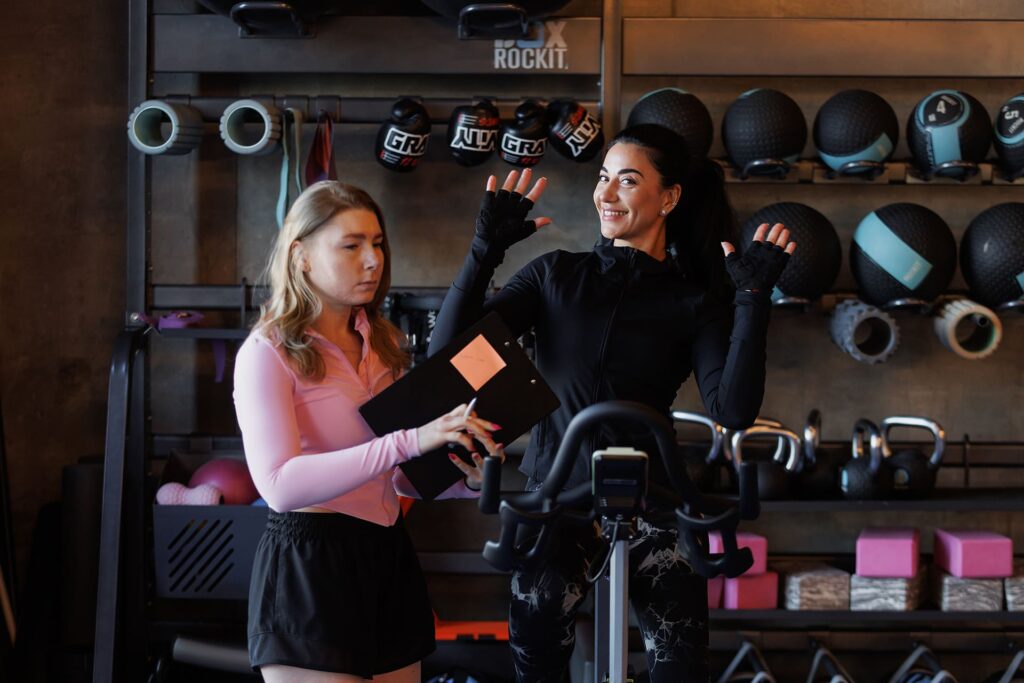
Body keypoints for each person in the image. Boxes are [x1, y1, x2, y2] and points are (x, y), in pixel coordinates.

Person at [427, 124, 798, 683]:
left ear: (669, 198)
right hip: (556, 500)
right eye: (603, 178)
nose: (605, 193)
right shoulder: (554, 276)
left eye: (627, 180)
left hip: (656, 503)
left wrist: (752, 299)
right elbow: (450, 358)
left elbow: (732, 410)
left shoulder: (692, 302)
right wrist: (485, 251)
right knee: (537, 655)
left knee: (681, 669)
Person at [233, 180, 505, 683]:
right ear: (301, 256)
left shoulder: (382, 345)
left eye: (377, 243)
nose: (373, 260)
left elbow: (395, 479)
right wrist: (410, 441)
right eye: (351, 245)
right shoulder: (266, 353)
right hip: (310, 562)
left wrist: (464, 478)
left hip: (387, 552)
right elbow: (279, 486)